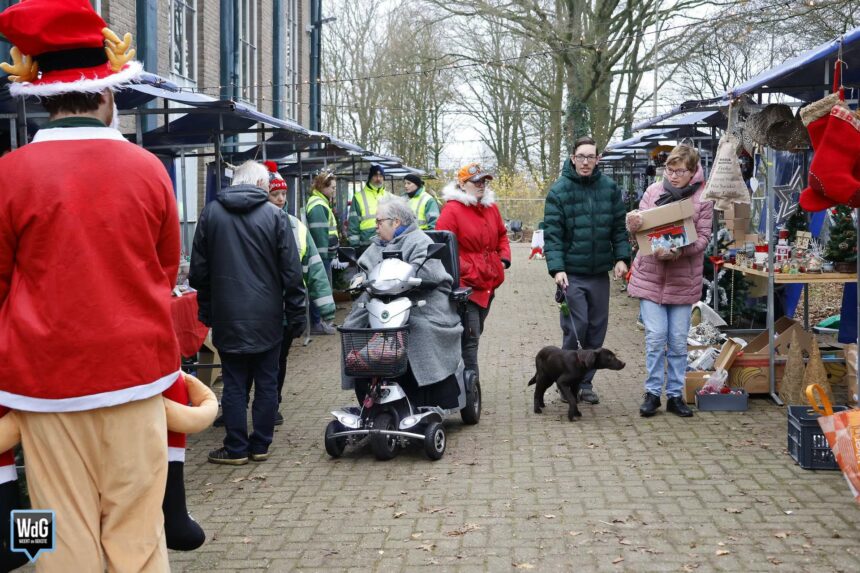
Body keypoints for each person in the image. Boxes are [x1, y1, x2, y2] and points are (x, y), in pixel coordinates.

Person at [0, 1, 180, 568]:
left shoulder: (9, 174)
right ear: (108, 90)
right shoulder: (150, 170)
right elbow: (165, 269)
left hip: (43, 386)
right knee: (137, 527)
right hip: (135, 377)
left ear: (40, 92)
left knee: (50, 528)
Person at [189, 161, 306, 465]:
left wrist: (207, 306)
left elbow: (198, 271)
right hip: (268, 315)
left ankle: (236, 447)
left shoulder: (211, 214)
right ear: (259, 184)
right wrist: (296, 314)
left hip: (227, 315)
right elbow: (291, 272)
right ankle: (261, 444)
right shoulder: (276, 217)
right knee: (267, 380)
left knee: (234, 381)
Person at [342, 195, 463, 403]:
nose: (376, 227)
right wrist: (359, 279)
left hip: (421, 303)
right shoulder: (376, 246)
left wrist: (411, 276)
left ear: (396, 222)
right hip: (379, 304)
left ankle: (427, 394)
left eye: (379, 222)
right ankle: (364, 384)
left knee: (417, 329)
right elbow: (363, 269)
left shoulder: (419, 241)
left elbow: (431, 273)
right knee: (352, 327)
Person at [626, 145, 712, 418]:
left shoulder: (704, 199)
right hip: (650, 277)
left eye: (680, 171)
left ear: (692, 171)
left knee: (676, 340)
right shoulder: (653, 192)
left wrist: (679, 251)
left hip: (682, 279)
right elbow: (639, 227)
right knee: (655, 337)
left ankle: (675, 395)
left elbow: (703, 238)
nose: (673, 176)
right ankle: (652, 393)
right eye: (670, 170)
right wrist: (633, 224)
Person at [544, 136, 630, 405]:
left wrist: (621, 258)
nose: (585, 162)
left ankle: (587, 382)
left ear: (597, 160)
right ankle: (567, 380)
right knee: (575, 328)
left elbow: (618, 227)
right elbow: (553, 235)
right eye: (580, 157)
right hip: (571, 274)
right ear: (572, 158)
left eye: (590, 157)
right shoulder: (559, 191)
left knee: (596, 330)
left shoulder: (609, 189)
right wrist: (557, 268)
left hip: (599, 274)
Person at [267, 168, 337, 417]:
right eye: (274, 194)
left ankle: (272, 404)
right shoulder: (258, 226)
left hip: (287, 307)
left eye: (283, 194)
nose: (280, 199)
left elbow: (315, 270)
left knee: (279, 359)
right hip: (267, 307)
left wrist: (327, 309)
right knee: (264, 361)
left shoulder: (296, 226)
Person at [436, 163, 510, 384]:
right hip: (467, 287)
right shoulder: (452, 211)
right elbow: (443, 248)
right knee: (470, 341)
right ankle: (470, 392)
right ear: (462, 184)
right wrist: (468, 269)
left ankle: (460, 384)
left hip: (488, 284)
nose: (481, 185)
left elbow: (502, 236)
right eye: (476, 181)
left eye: (483, 181)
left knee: (473, 337)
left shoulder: (491, 208)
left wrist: (503, 259)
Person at [306, 169, 340, 335]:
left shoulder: (321, 202)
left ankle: (320, 322)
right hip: (322, 256)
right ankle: (317, 322)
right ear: (322, 187)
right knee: (320, 288)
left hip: (325, 255)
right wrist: (323, 257)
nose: (334, 191)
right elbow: (319, 235)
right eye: (332, 188)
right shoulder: (318, 205)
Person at [348, 164, 388, 253]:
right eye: (375, 175)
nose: (378, 178)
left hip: (387, 243)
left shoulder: (388, 196)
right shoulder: (358, 197)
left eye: (381, 176)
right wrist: (355, 247)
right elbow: (353, 224)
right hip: (366, 246)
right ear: (370, 177)